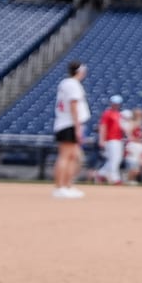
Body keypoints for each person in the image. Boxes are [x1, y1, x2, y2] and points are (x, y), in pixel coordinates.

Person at [51, 61, 89, 200]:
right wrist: (78, 127)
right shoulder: (73, 84)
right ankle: (60, 187)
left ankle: (67, 185)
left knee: (72, 156)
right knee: (65, 156)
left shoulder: (66, 83)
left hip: (66, 123)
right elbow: (73, 106)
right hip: (69, 123)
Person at [97, 95, 127, 184]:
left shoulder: (119, 114)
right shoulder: (107, 113)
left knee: (116, 159)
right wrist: (101, 139)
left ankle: (101, 173)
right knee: (114, 159)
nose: (116, 105)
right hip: (110, 139)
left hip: (118, 139)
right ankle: (115, 178)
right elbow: (103, 127)